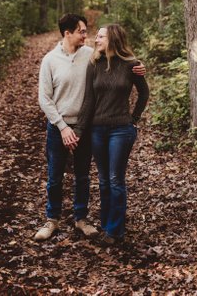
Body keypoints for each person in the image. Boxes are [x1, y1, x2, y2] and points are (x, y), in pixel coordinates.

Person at [35, 14, 146, 241]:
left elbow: (123, 65)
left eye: (89, 32)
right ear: (68, 33)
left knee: (83, 176)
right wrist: (64, 128)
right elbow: (44, 99)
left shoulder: (91, 56)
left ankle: (81, 218)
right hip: (60, 126)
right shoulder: (50, 60)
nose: (88, 36)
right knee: (55, 175)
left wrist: (139, 67)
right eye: (82, 31)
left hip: (87, 127)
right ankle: (52, 219)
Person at [73, 23, 149, 246]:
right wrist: (79, 130)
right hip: (97, 129)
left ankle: (115, 231)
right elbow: (89, 99)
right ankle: (106, 224)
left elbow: (144, 93)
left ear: (113, 38)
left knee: (116, 179)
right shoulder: (94, 64)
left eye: (101, 36)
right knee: (104, 181)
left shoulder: (131, 65)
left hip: (120, 130)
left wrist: (134, 119)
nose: (96, 40)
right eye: (96, 36)